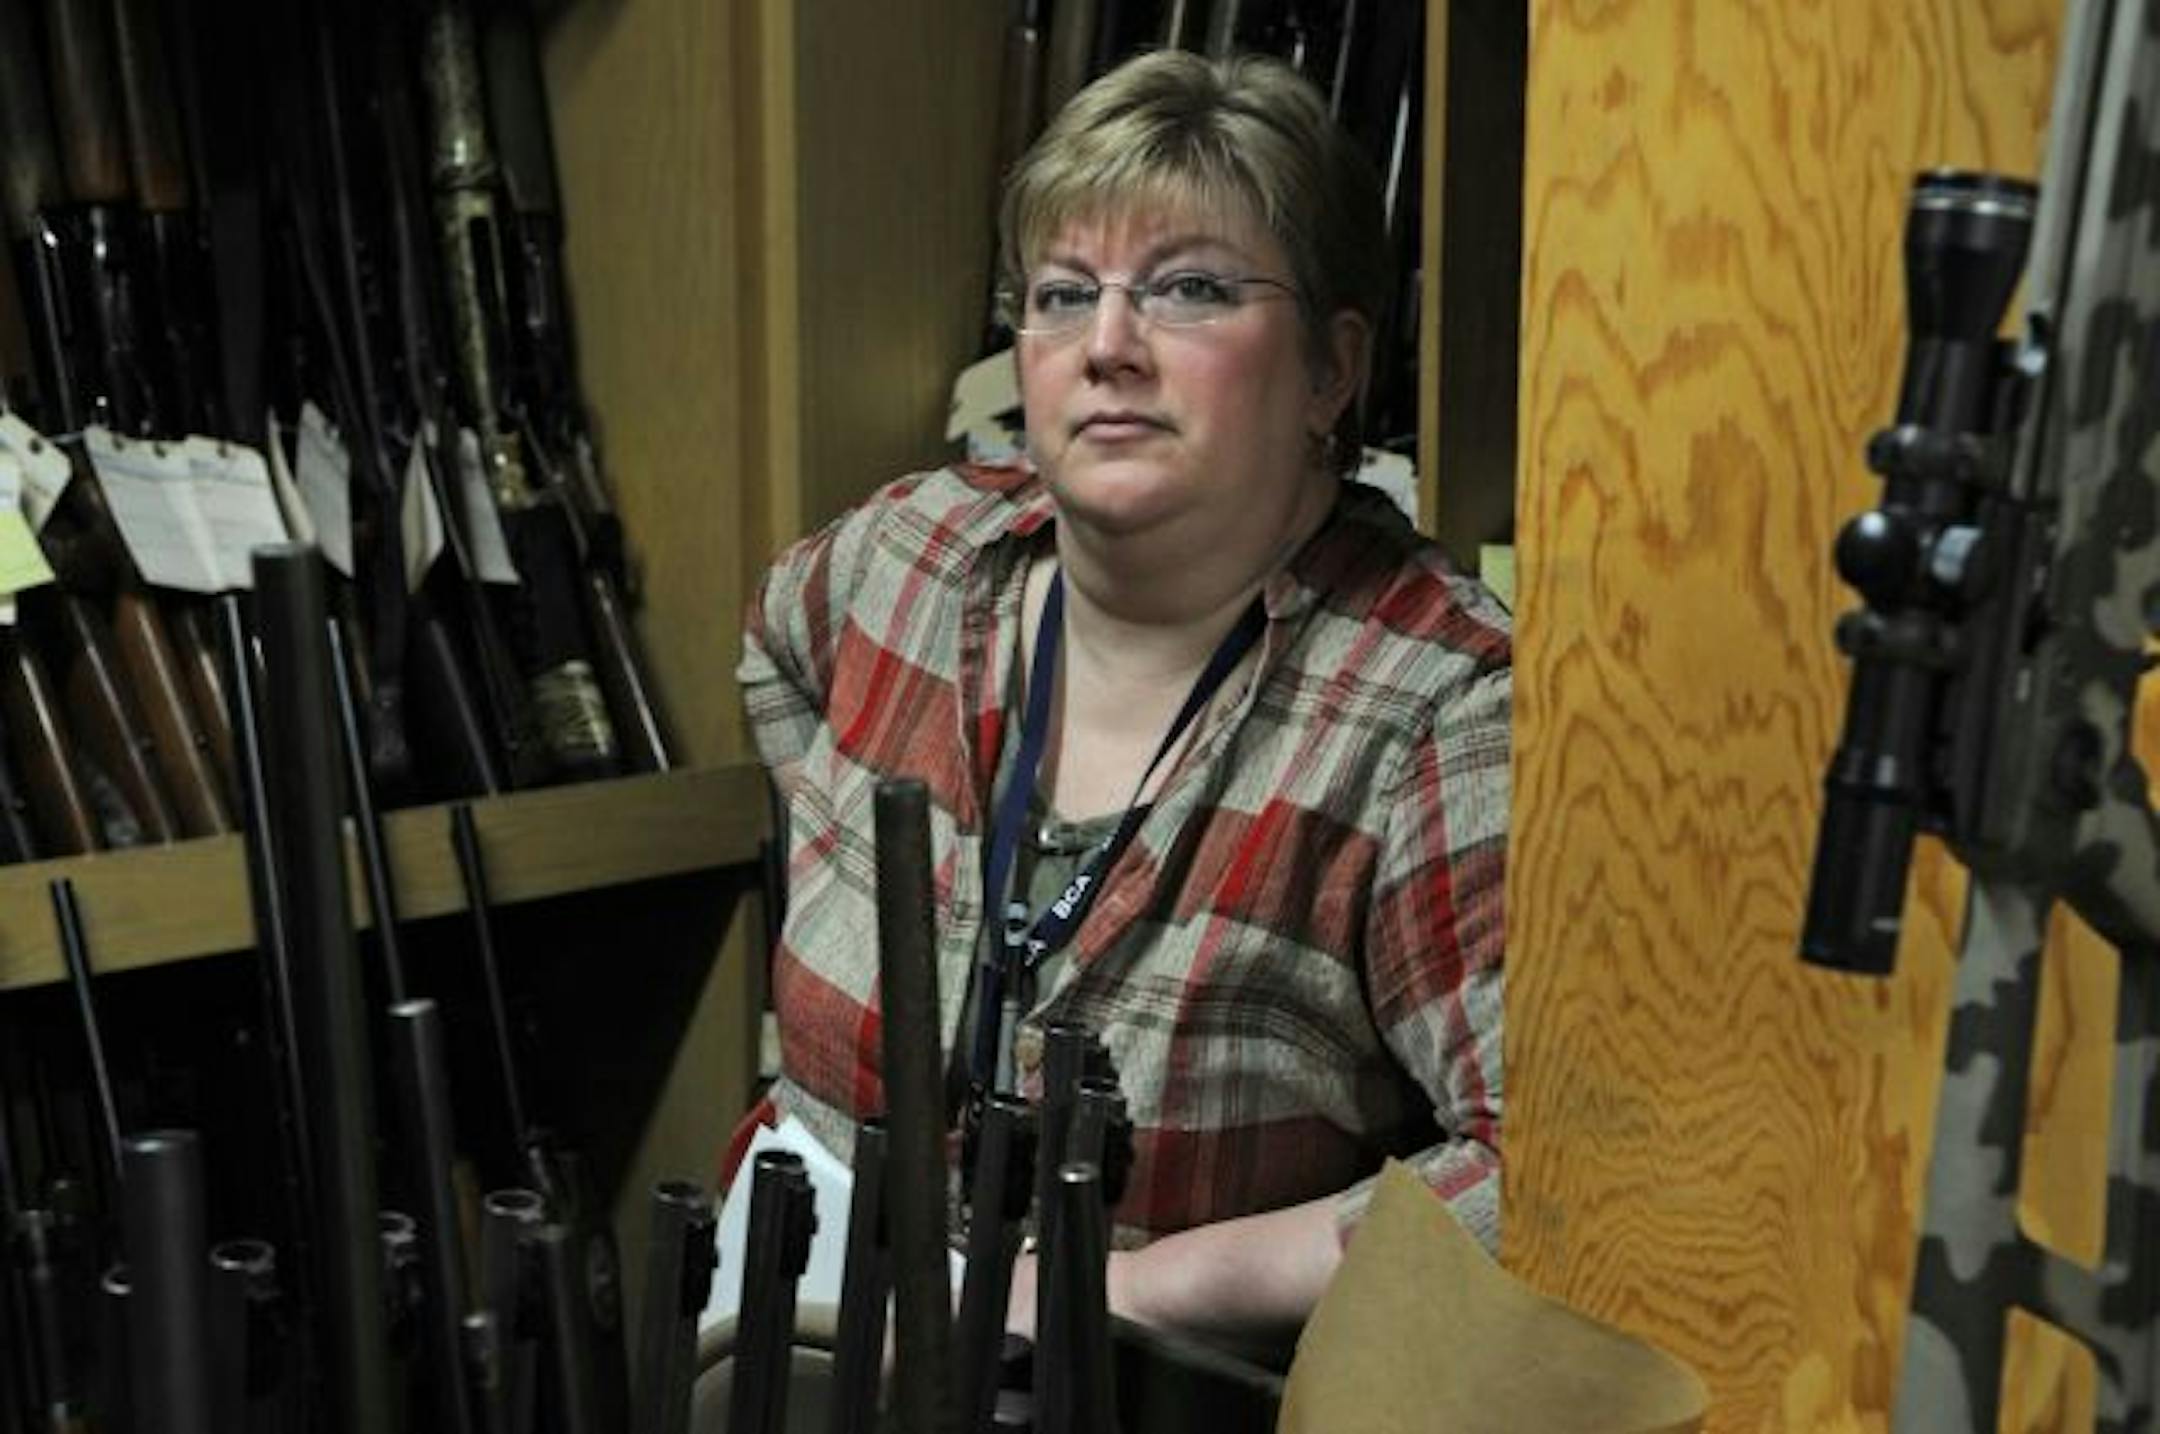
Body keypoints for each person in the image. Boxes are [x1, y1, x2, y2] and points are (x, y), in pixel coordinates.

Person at [736, 46, 1507, 1356]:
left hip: (1146, 1385)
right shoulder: (903, 559)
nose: (1107, 346)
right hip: (796, 1326)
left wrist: (1148, 1288)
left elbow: (1544, 1174)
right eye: (1060, 294)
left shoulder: (1436, 706)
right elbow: (776, 650)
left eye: (1190, 290)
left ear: (1330, 370)